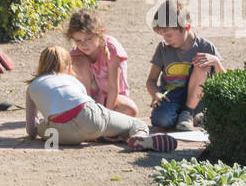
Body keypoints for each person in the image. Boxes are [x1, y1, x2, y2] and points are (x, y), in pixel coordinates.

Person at [26, 45, 174, 149]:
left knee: (42, 127)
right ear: (68, 67)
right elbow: (84, 105)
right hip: (90, 118)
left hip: (62, 136)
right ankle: (140, 137)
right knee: (136, 124)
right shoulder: (71, 80)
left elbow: (31, 130)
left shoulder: (32, 86)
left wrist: (41, 126)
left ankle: (96, 135)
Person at [146, 0, 224, 131]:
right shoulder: (163, 48)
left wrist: (216, 62)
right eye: (163, 35)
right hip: (171, 97)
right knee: (160, 120)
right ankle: (191, 117)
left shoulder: (205, 47)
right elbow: (151, 80)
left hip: (198, 98)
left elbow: (224, 80)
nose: (166, 39)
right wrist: (155, 94)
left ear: (186, 27)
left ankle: (188, 111)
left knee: (202, 64)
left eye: (169, 34)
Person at [66, 8, 136, 116]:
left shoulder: (112, 48)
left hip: (113, 98)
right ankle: (88, 113)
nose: (84, 45)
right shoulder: (77, 53)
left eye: (88, 39)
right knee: (78, 62)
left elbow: (113, 87)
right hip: (91, 99)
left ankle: (100, 118)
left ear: (100, 33)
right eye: (78, 41)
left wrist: (107, 117)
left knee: (129, 109)